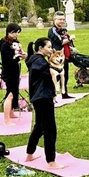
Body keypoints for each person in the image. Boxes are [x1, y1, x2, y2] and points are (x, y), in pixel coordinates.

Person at [24, 37, 64, 169]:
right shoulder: (40, 63)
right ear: (40, 48)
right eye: (48, 47)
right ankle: (51, 161)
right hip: (43, 98)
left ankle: (29, 154)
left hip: (39, 97)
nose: (51, 49)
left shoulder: (34, 60)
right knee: (50, 129)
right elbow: (48, 78)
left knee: (40, 126)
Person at [0, 23, 27, 124]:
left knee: (14, 92)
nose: (17, 35)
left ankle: (11, 112)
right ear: (10, 32)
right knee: (10, 94)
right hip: (9, 71)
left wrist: (21, 54)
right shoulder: (5, 45)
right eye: (15, 33)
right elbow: (8, 60)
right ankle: (6, 120)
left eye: (18, 33)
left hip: (14, 70)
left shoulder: (13, 42)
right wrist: (19, 57)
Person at [47, 11, 74, 98]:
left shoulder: (63, 31)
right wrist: (70, 38)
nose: (62, 21)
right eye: (60, 19)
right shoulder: (52, 30)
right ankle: (51, 93)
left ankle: (64, 93)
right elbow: (60, 42)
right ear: (54, 20)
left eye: (63, 19)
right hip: (55, 58)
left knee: (65, 75)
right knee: (55, 76)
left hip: (64, 56)